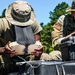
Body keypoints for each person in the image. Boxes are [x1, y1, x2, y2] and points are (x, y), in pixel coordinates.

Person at [0, 1, 51, 74]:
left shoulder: (34, 23)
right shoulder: (2, 24)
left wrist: (38, 52)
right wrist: (3, 50)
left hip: (29, 59)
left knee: (47, 58)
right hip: (7, 60)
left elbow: (38, 43)